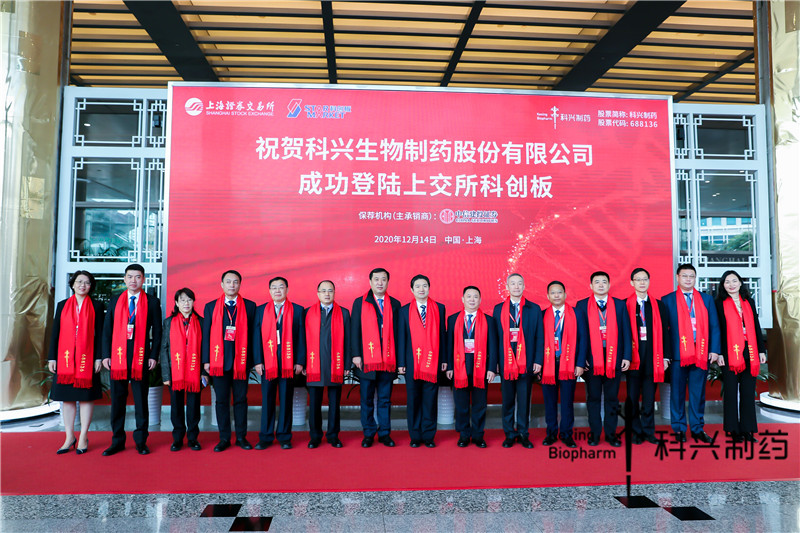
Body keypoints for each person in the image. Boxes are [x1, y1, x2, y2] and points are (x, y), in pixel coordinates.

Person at [102, 264, 163, 456]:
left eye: (137, 277)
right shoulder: (115, 300)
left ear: (143, 279)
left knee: (141, 401)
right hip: (118, 358)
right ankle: (117, 441)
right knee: (117, 401)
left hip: (141, 358)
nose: (133, 280)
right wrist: (106, 355)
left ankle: (141, 441)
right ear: (124, 279)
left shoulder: (152, 302)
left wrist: (153, 356)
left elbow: (158, 332)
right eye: (130, 277)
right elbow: (107, 330)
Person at [662, 264, 721, 443]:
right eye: (685, 276)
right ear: (677, 277)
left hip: (701, 352)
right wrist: (666, 355)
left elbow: (714, 326)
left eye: (691, 276)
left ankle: (697, 429)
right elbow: (664, 331)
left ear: (695, 278)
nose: (688, 279)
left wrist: (715, 350)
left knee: (698, 393)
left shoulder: (706, 299)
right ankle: (679, 428)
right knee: (677, 393)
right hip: (677, 354)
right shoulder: (667, 300)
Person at [48, 271, 104, 454]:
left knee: (86, 398)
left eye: (87, 282)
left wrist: (98, 357)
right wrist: (52, 357)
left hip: (87, 360)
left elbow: (100, 335)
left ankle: (83, 437)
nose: (82, 285)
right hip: (66, 360)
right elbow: (55, 333)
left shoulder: (96, 306)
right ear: (72, 284)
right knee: (67, 398)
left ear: (91, 286)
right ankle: (69, 436)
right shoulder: (62, 305)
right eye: (79, 282)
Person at [202, 270, 257, 452]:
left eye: (235, 282)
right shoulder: (211, 307)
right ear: (222, 284)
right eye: (228, 282)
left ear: (240, 284)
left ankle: (241, 437)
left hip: (241, 362)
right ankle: (224, 438)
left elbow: (254, 336)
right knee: (221, 401)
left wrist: (253, 360)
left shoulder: (250, 306)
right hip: (219, 363)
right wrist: (206, 361)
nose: (232, 285)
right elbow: (206, 336)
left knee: (241, 400)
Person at [575, 271, 631, 447]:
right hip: (591, 360)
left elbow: (626, 332)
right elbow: (579, 335)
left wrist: (627, 356)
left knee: (612, 398)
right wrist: (581, 359)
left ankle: (611, 434)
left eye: (604, 282)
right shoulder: (582, 305)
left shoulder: (619, 305)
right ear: (591, 285)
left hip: (614, 358)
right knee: (593, 398)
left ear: (609, 285)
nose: (600, 285)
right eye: (597, 282)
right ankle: (594, 433)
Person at [350, 267, 401, 448]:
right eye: (377, 279)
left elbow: (398, 333)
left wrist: (399, 360)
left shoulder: (395, 304)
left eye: (383, 279)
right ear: (370, 282)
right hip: (366, 360)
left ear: (388, 282)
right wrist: (356, 354)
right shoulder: (360, 302)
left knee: (385, 399)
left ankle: (385, 433)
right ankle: (369, 433)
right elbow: (354, 330)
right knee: (367, 399)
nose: (380, 283)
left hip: (388, 360)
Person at [714, 270, 767, 443]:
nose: (731, 284)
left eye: (734, 281)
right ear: (723, 285)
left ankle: (747, 429)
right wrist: (719, 353)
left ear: (740, 283)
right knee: (730, 392)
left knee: (747, 392)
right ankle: (733, 429)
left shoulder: (748, 302)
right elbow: (717, 330)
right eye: (727, 282)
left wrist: (761, 351)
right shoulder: (719, 304)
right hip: (728, 352)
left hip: (749, 351)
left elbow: (756, 326)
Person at [492, 273, 543, 448]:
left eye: (519, 283)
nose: (516, 287)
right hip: (505, 362)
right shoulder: (499, 309)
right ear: (507, 287)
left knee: (524, 400)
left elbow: (539, 336)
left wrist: (538, 360)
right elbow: (495, 339)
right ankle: (509, 434)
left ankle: (523, 433)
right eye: (512, 283)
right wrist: (495, 362)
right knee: (507, 401)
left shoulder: (533, 309)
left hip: (526, 362)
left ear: (524, 286)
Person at [253, 276, 305, 450]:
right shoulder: (261, 310)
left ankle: (284, 436)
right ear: (269, 291)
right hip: (267, 363)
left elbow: (302, 338)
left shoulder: (297, 310)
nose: (277, 290)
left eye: (281, 287)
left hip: (288, 363)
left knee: (286, 399)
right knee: (267, 400)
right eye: (274, 287)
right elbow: (256, 338)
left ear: (287, 290)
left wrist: (300, 361)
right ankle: (266, 437)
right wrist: (258, 361)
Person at [300, 280, 351, 448]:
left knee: (334, 403)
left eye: (330, 291)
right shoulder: (308, 313)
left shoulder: (343, 313)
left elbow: (348, 340)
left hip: (336, 364)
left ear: (334, 293)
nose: (327, 294)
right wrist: (303, 363)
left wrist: (346, 365)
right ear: (318, 293)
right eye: (323, 291)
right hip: (314, 364)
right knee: (314, 403)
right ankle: (315, 436)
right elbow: (302, 340)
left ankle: (333, 435)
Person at [398, 274, 447, 448]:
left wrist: (444, 359)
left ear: (429, 288)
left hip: (433, 362)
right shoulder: (404, 311)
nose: (421, 289)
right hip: (411, 362)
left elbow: (442, 335)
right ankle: (415, 435)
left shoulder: (439, 308)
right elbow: (401, 337)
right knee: (413, 399)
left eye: (424, 285)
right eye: (417, 286)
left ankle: (428, 435)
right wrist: (401, 363)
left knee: (430, 400)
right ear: (412, 290)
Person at [445, 286, 497, 448]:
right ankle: (464, 435)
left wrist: (492, 368)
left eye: (475, 297)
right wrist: (450, 367)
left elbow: (493, 346)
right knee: (461, 405)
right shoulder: (453, 319)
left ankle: (478, 435)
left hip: (481, 369)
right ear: (463, 299)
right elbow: (449, 345)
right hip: (459, 368)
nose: (472, 299)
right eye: (469, 296)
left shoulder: (489, 321)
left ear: (480, 300)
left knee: (480, 404)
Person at [538, 281, 588, 449]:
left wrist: (580, 363)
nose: (557, 295)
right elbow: (538, 342)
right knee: (549, 402)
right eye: (553, 293)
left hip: (569, 364)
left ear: (565, 295)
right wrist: (539, 364)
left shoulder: (577, 314)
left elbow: (583, 339)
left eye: (559, 292)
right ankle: (551, 433)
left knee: (567, 402)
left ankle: (567, 434)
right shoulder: (542, 315)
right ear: (548, 296)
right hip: (548, 364)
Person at [626, 268, 672, 444]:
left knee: (649, 397)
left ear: (649, 281)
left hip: (654, 357)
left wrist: (666, 357)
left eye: (645, 279)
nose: (642, 282)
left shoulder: (658, 305)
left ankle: (648, 430)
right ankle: (635, 431)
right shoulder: (625, 305)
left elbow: (666, 332)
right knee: (632, 397)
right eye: (638, 279)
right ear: (632, 282)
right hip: (633, 357)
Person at [160, 288, 204, 451]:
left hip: (194, 370)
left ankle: (193, 438)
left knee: (194, 406)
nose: (186, 303)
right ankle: (177, 438)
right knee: (176, 405)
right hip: (175, 371)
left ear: (193, 302)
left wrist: (204, 373)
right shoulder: (169, 322)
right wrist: (166, 374)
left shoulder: (201, 322)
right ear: (177, 303)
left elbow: (205, 349)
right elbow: (164, 348)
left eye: (189, 300)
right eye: (183, 300)